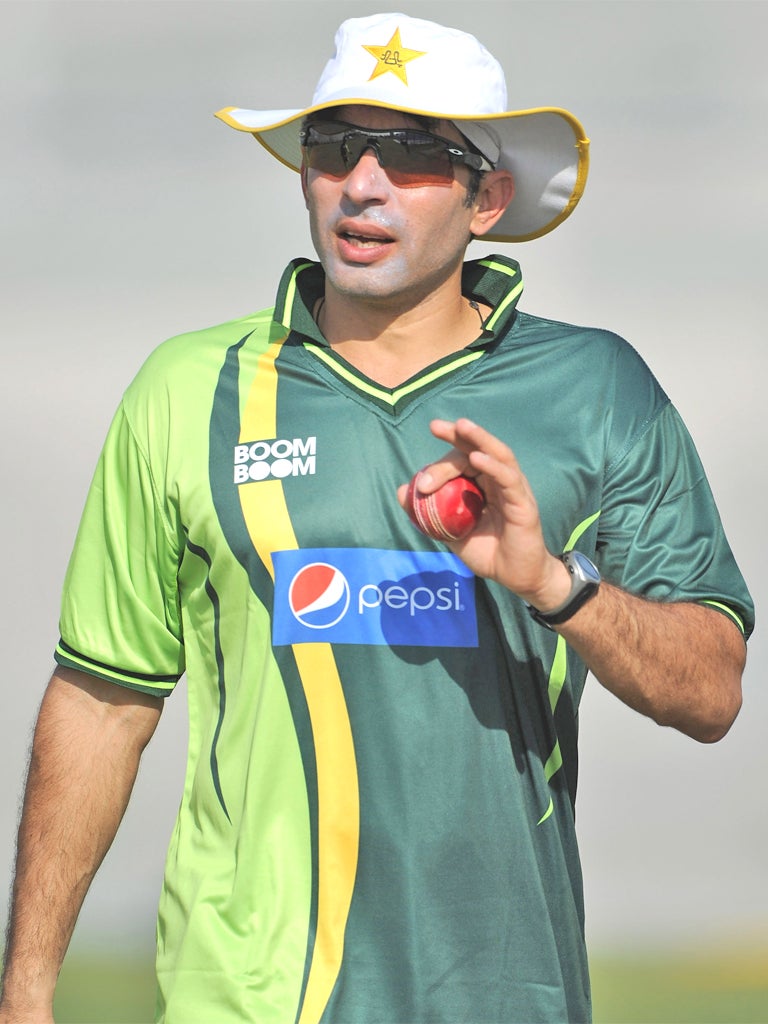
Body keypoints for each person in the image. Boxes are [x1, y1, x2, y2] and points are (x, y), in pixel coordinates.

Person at [0, 12, 754, 1024]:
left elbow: (710, 690)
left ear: (488, 198)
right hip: (249, 996)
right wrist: (27, 989)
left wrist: (550, 583)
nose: (361, 183)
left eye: (409, 154)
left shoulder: (596, 387)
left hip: (502, 994)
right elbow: (101, 700)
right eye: (331, 148)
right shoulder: (188, 391)